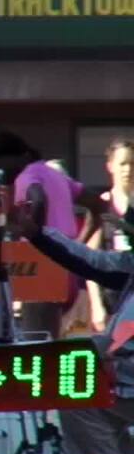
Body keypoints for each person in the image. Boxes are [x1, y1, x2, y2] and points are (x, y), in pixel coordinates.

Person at [12, 196, 134, 454]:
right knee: (79, 390)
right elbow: (90, 262)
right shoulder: (131, 266)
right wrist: (38, 234)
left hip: (124, 377)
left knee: (77, 390)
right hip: (122, 379)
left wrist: (110, 352)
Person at [0, 130, 106, 338]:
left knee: (36, 347)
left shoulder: (27, 175)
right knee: (51, 343)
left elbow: (38, 198)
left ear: (21, 156)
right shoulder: (55, 174)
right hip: (67, 271)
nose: (2, 171)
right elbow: (98, 204)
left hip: (42, 270)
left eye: (2, 164)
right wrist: (79, 243)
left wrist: (35, 235)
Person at [88, 139, 134, 332]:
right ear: (110, 166)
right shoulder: (102, 206)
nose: (128, 170)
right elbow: (89, 260)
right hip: (111, 298)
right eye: (123, 163)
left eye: (132, 163)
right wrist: (96, 305)